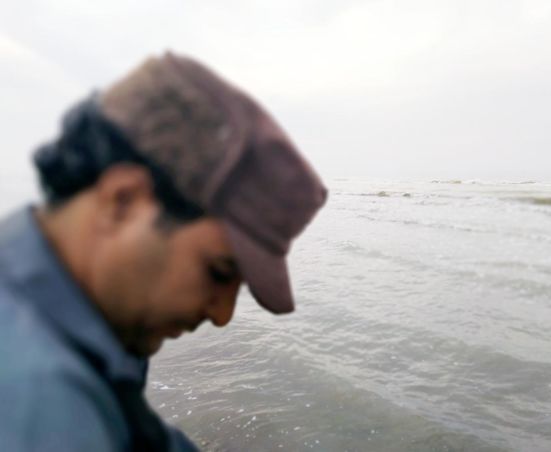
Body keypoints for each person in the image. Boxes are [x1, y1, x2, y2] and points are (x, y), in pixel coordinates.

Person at [0, 52, 327, 451]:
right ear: (122, 200)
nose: (221, 314)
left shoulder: (76, 321)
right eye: (220, 272)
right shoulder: (43, 406)